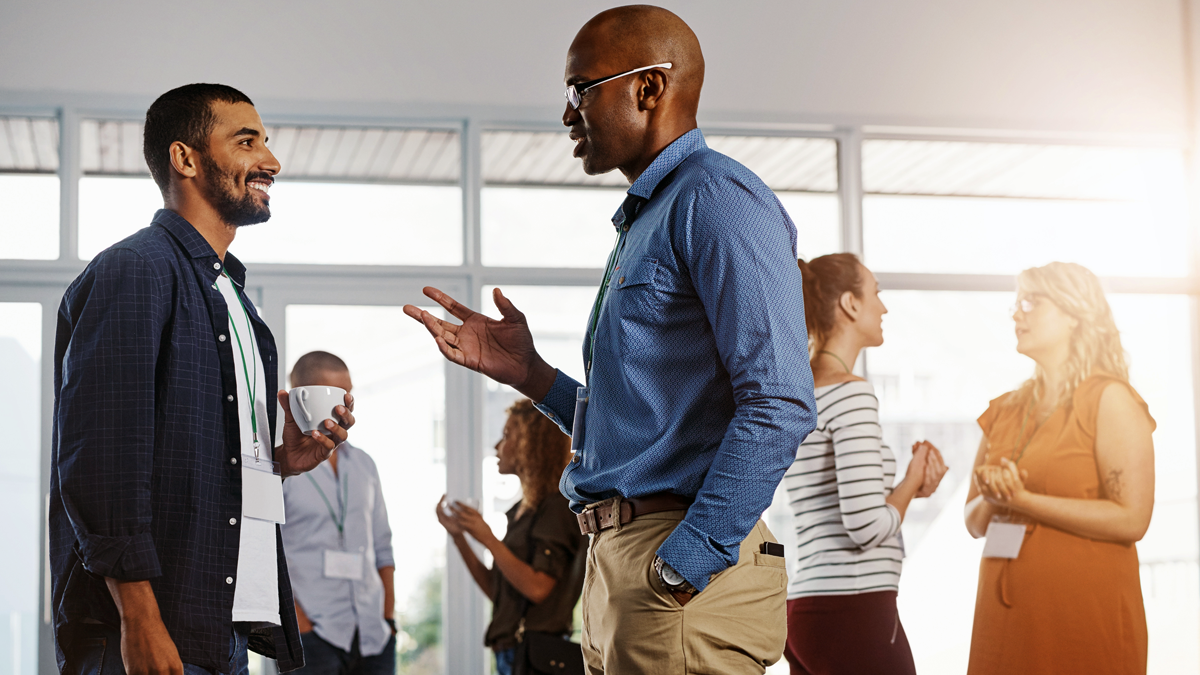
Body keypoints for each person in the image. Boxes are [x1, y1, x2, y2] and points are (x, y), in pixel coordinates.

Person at [405, 6, 817, 672]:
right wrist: (531, 374)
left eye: (581, 89)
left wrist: (685, 562)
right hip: (621, 564)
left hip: (677, 572)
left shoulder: (717, 199)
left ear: (648, 87)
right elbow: (637, 425)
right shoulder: (651, 217)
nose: (567, 114)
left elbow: (780, 400)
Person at [50, 83, 355, 675]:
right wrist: (140, 617)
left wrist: (279, 461)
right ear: (184, 158)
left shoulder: (232, 294)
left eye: (266, 142)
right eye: (247, 142)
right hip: (151, 631)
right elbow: (101, 460)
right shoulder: (135, 270)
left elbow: (199, 462)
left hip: (219, 628)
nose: (271, 160)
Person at [964, 262, 1155, 675]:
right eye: (1016, 304)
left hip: (1081, 619)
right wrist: (997, 496)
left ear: (1073, 315)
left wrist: (1023, 500)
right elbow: (973, 521)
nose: (1017, 314)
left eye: (1031, 302)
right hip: (1005, 621)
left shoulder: (1111, 400)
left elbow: (1133, 519)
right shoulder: (1004, 409)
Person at [783, 254, 948, 675]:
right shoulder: (851, 394)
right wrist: (912, 478)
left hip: (808, 609)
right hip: (853, 608)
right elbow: (866, 527)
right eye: (876, 293)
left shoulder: (799, 393)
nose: (884, 307)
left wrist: (909, 490)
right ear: (850, 304)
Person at [436, 398, 588, 675]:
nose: (497, 446)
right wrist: (460, 538)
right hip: (513, 654)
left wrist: (488, 539)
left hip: (535, 658)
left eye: (507, 435)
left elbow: (538, 588)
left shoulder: (556, 508)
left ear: (531, 444)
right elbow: (497, 592)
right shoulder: (523, 511)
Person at [280, 352, 396, 675]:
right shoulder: (281, 467)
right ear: (302, 397)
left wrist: (388, 618)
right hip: (312, 636)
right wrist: (299, 625)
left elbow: (383, 546)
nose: (347, 406)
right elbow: (265, 552)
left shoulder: (364, 464)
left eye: (349, 395)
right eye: (336, 395)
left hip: (374, 635)